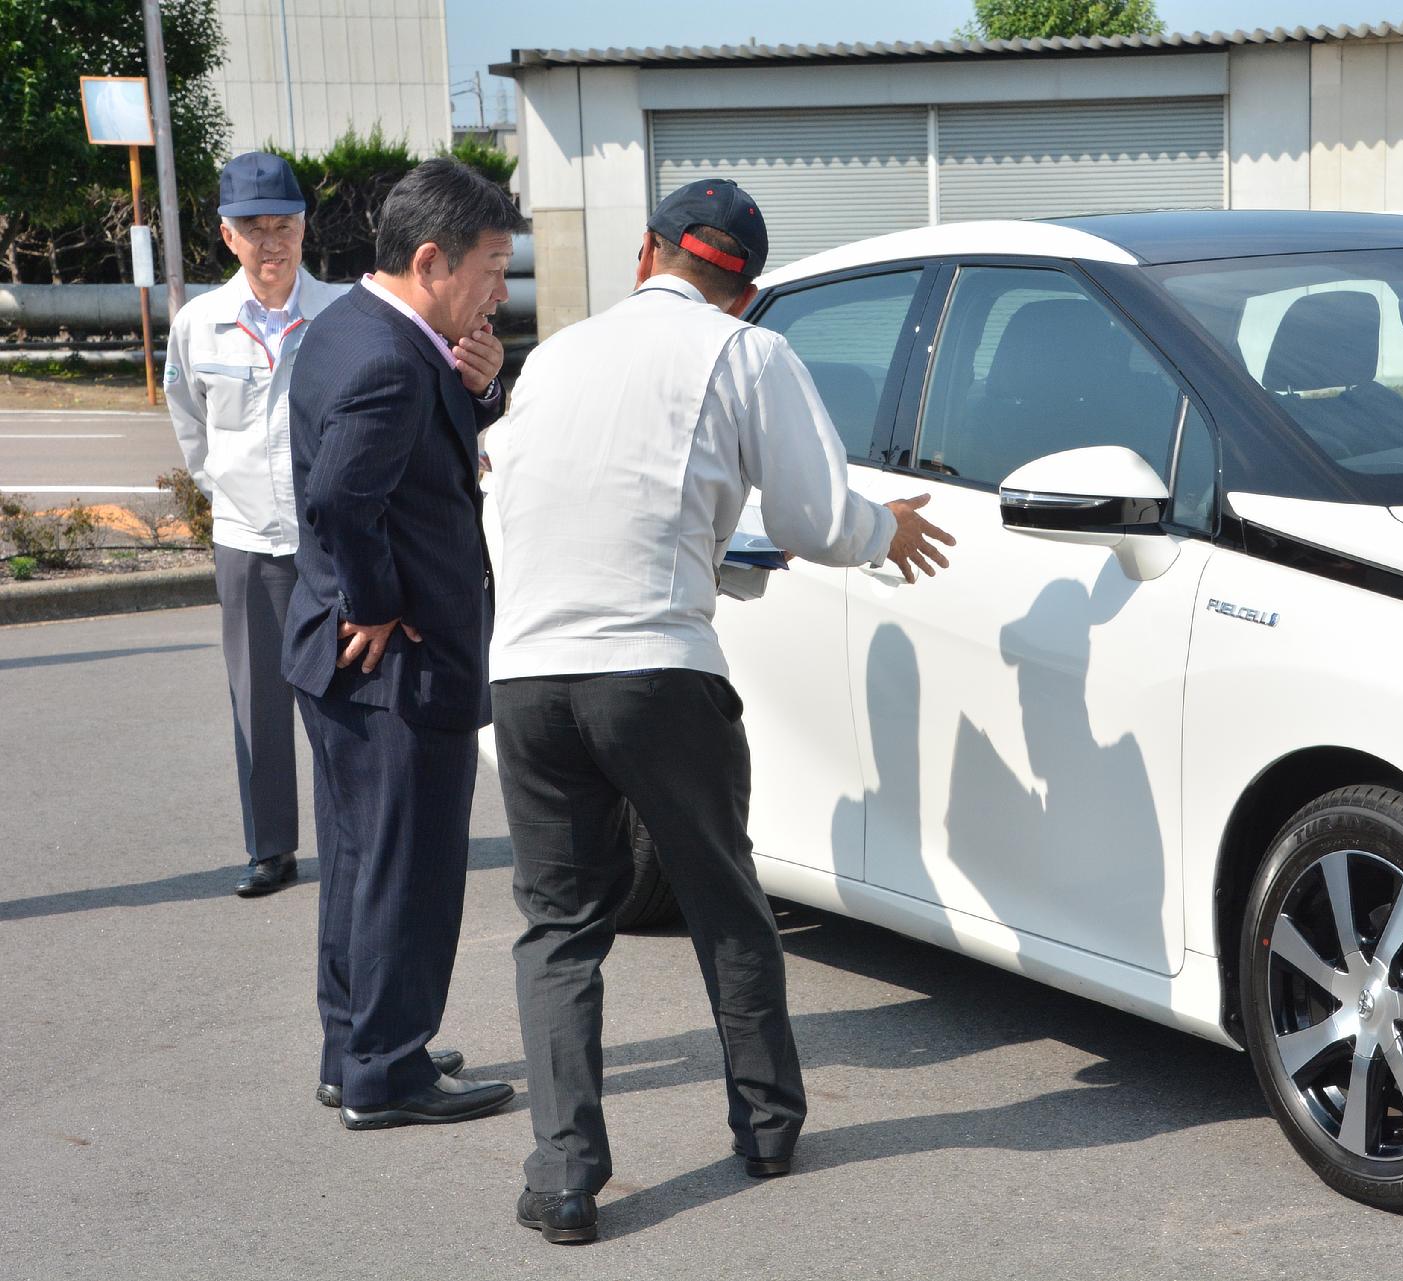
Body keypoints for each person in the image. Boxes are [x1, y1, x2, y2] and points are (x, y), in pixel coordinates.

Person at [486, 178, 956, 1245]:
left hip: (528, 670)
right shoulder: (750, 355)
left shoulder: (554, 357)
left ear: (647, 255)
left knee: (560, 928)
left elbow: (500, 487)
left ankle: (564, 1178)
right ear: (745, 291)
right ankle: (767, 1126)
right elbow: (813, 515)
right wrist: (884, 531)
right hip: (657, 666)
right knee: (722, 895)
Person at [282, 158, 521, 1130]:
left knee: (357, 860)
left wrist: (482, 389)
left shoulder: (354, 325)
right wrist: (374, 601)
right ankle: (390, 1068)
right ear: (431, 261)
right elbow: (342, 497)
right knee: (410, 869)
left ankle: (356, 1046)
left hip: (336, 661)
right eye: (494, 268)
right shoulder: (389, 357)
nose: (502, 291)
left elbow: (410, 459)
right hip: (394, 662)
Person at [162, 152, 347, 898]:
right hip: (246, 542)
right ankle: (270, 846)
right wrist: (225, 493)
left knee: (344, 701)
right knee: (257, 702)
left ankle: (354, 836)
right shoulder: (199, 323)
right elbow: (189, 424)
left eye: (285, 226)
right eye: (254, 229)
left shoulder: (342, 314)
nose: (272, 243)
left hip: (331, 539)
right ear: (226, 237)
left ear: (305, 229)